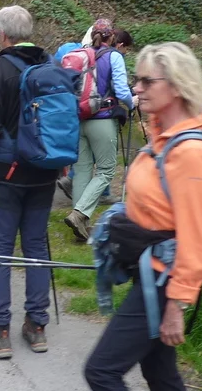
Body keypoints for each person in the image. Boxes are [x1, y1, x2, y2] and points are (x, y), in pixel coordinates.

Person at [83, 42, 202, 391]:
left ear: (175, 86)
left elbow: (195, 238)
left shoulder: (191, 153)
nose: (136, 88)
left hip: (162, 284)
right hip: (151, 274)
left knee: (101, 372)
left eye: (147, 81)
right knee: (160, 375)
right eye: (136, 80)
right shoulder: (164, 139)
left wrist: (176, 305)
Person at [0, 5, 58, 360]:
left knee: (1, 249)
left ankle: (0, 330)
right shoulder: (50, 66)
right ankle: (37, 326)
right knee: (36, 246)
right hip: (44, 170)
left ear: (4, 35)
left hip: (6, 171)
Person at [64, 19, 134, 241]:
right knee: (105, 170)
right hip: (102, 118)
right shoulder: (114, 56)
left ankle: (80, 223)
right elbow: (122, 92)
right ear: (111, 37)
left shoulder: (82, 54)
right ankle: (80, 213)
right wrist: (133, 103)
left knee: (82, 169)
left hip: (79, 118)